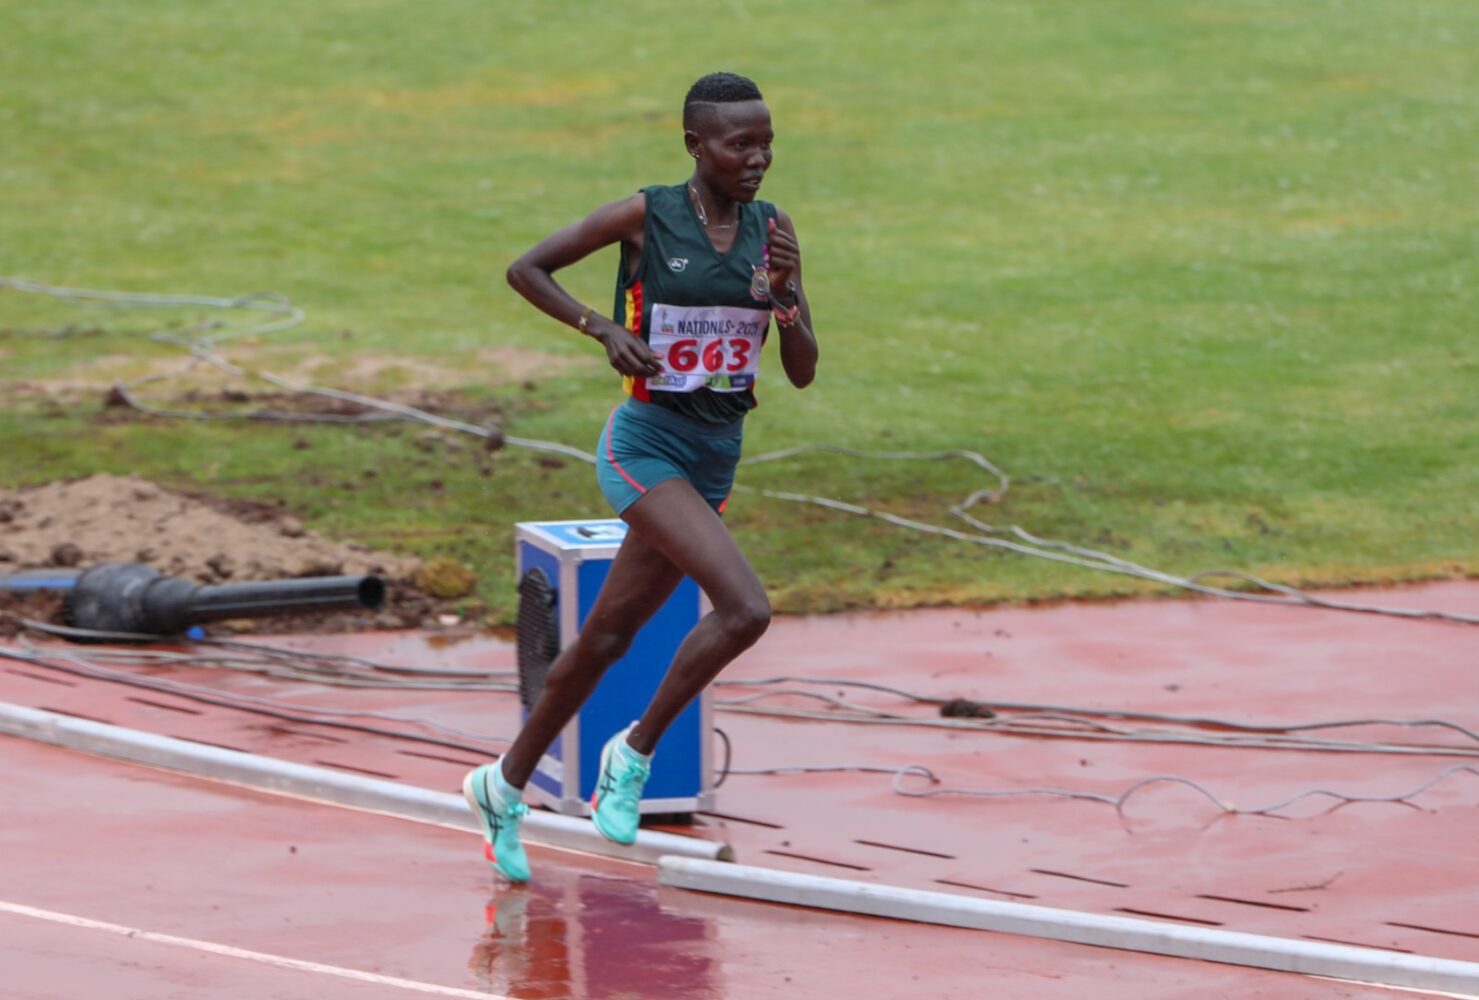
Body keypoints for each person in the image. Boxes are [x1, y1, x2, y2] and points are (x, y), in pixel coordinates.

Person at [463, 71, 818, 883]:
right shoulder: (645, 215)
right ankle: (633, 756)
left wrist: (789, 298)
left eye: (766, 141)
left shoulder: (772, 229)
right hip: (643, 445)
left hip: (714, 452)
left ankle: (501, 782)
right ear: (696, 146)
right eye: (740, 144)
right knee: (745, 608)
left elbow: (799, 371)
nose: (757, 157)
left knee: (606, 639)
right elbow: (528, 269)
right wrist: (601, 330)